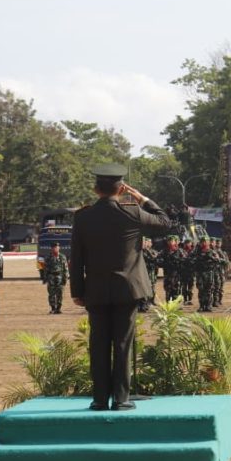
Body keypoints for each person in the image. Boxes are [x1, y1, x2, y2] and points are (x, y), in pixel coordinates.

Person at [69, 163, 173, 410]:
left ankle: (99, 400)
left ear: (96, 189)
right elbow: (165, 222)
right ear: (122, 189)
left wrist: (77, 291)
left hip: (95, 290)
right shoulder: (133, 212)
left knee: (99, 345)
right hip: (128, 290)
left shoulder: (83, 216)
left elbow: (76, 258)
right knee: (123, 344)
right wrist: (143, 198)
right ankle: (121, 399)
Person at [44, 242, 68, 314]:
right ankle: (53, 308)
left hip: (60, 277)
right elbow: (46, 269)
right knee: (51, 293)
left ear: (59, 248)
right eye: (54, 247)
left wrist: (65, 278)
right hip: (51, 277)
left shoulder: (62, 257)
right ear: (51, 248)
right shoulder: (48, 257)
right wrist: (46, 278)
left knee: (60, 293)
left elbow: (65, 269)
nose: (55, 249)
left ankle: (58, 308)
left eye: (57, 247)